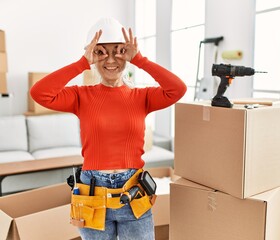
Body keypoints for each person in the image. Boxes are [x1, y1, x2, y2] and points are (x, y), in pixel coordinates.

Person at [30, 17, 187, 240]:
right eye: (101, 52)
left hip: (133, 194)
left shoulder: (141, 97)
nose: (111, 60)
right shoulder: (80, 96)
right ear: (93, 55)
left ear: (128, 54)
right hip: (93, 193)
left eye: (119, 51)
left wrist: (140, 60)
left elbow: (177, 89)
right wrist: (81, 63)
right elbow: (40, 93)